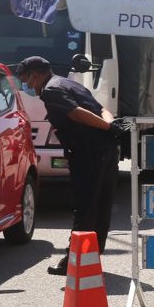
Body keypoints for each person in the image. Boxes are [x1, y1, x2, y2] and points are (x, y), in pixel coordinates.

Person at [16, 56, 129, 275]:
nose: (28, 86)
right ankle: (92, 257)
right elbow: (102, 108)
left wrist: (107, 127)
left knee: (85, 206)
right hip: (105, 150)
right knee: (100, 204)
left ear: (37, 74)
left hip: (88, 152)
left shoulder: (51, 90)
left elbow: (76, 113)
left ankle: (74, 261)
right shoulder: (68, 83)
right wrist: (110, 124)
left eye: (27, 80)